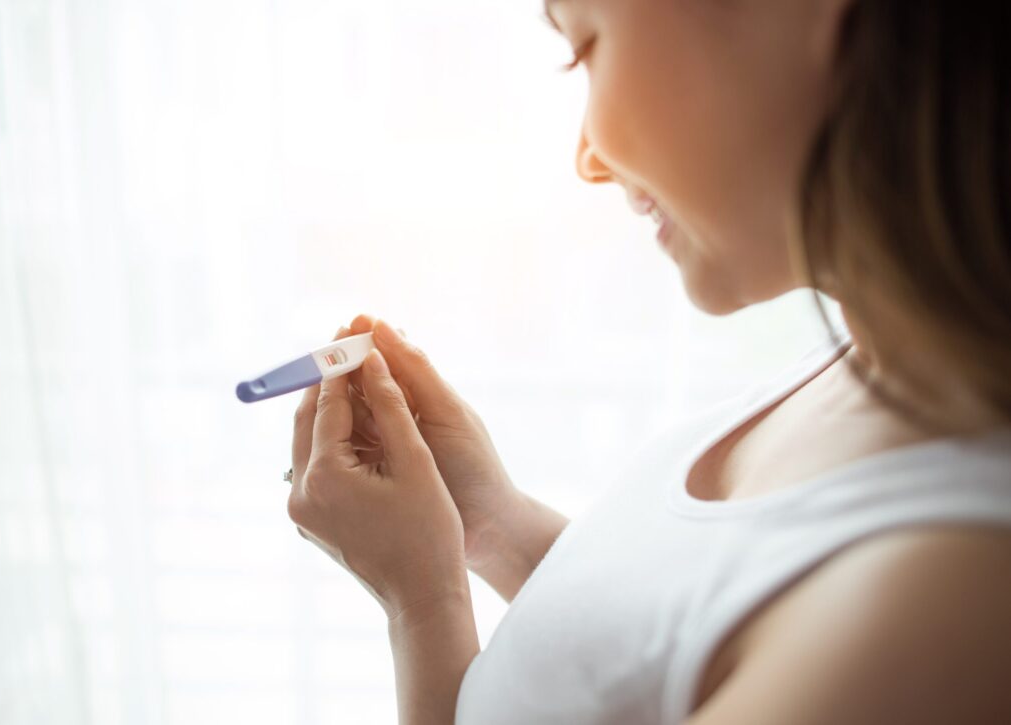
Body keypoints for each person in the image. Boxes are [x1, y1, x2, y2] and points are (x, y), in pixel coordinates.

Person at [284, 1, 1011, 722]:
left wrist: (421, 601)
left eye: (586, 48)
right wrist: (492, 526)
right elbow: (668, 655)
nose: (589, 159)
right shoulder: (876, 363)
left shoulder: (943, 602)